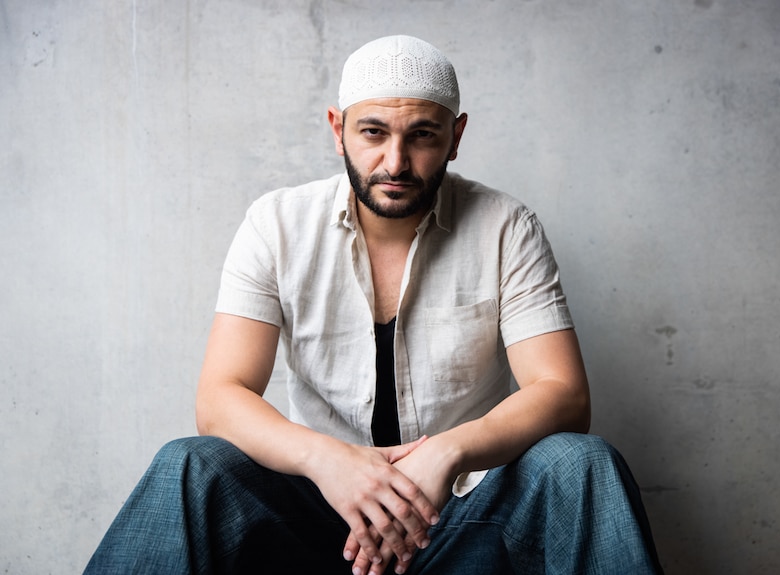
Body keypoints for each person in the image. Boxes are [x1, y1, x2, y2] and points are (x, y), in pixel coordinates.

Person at [85, 35, 663, 575]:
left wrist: (448, 454)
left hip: (461, 517)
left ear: (456, 136)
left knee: (581, 462)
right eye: (373, 133)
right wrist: (329, 462)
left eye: (423, 135)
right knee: (188, 463)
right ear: (337, 130)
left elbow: (563, 393)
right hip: (319, 519)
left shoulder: (507, 227)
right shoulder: (276, 224)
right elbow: (220, 398)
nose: (395, 162)